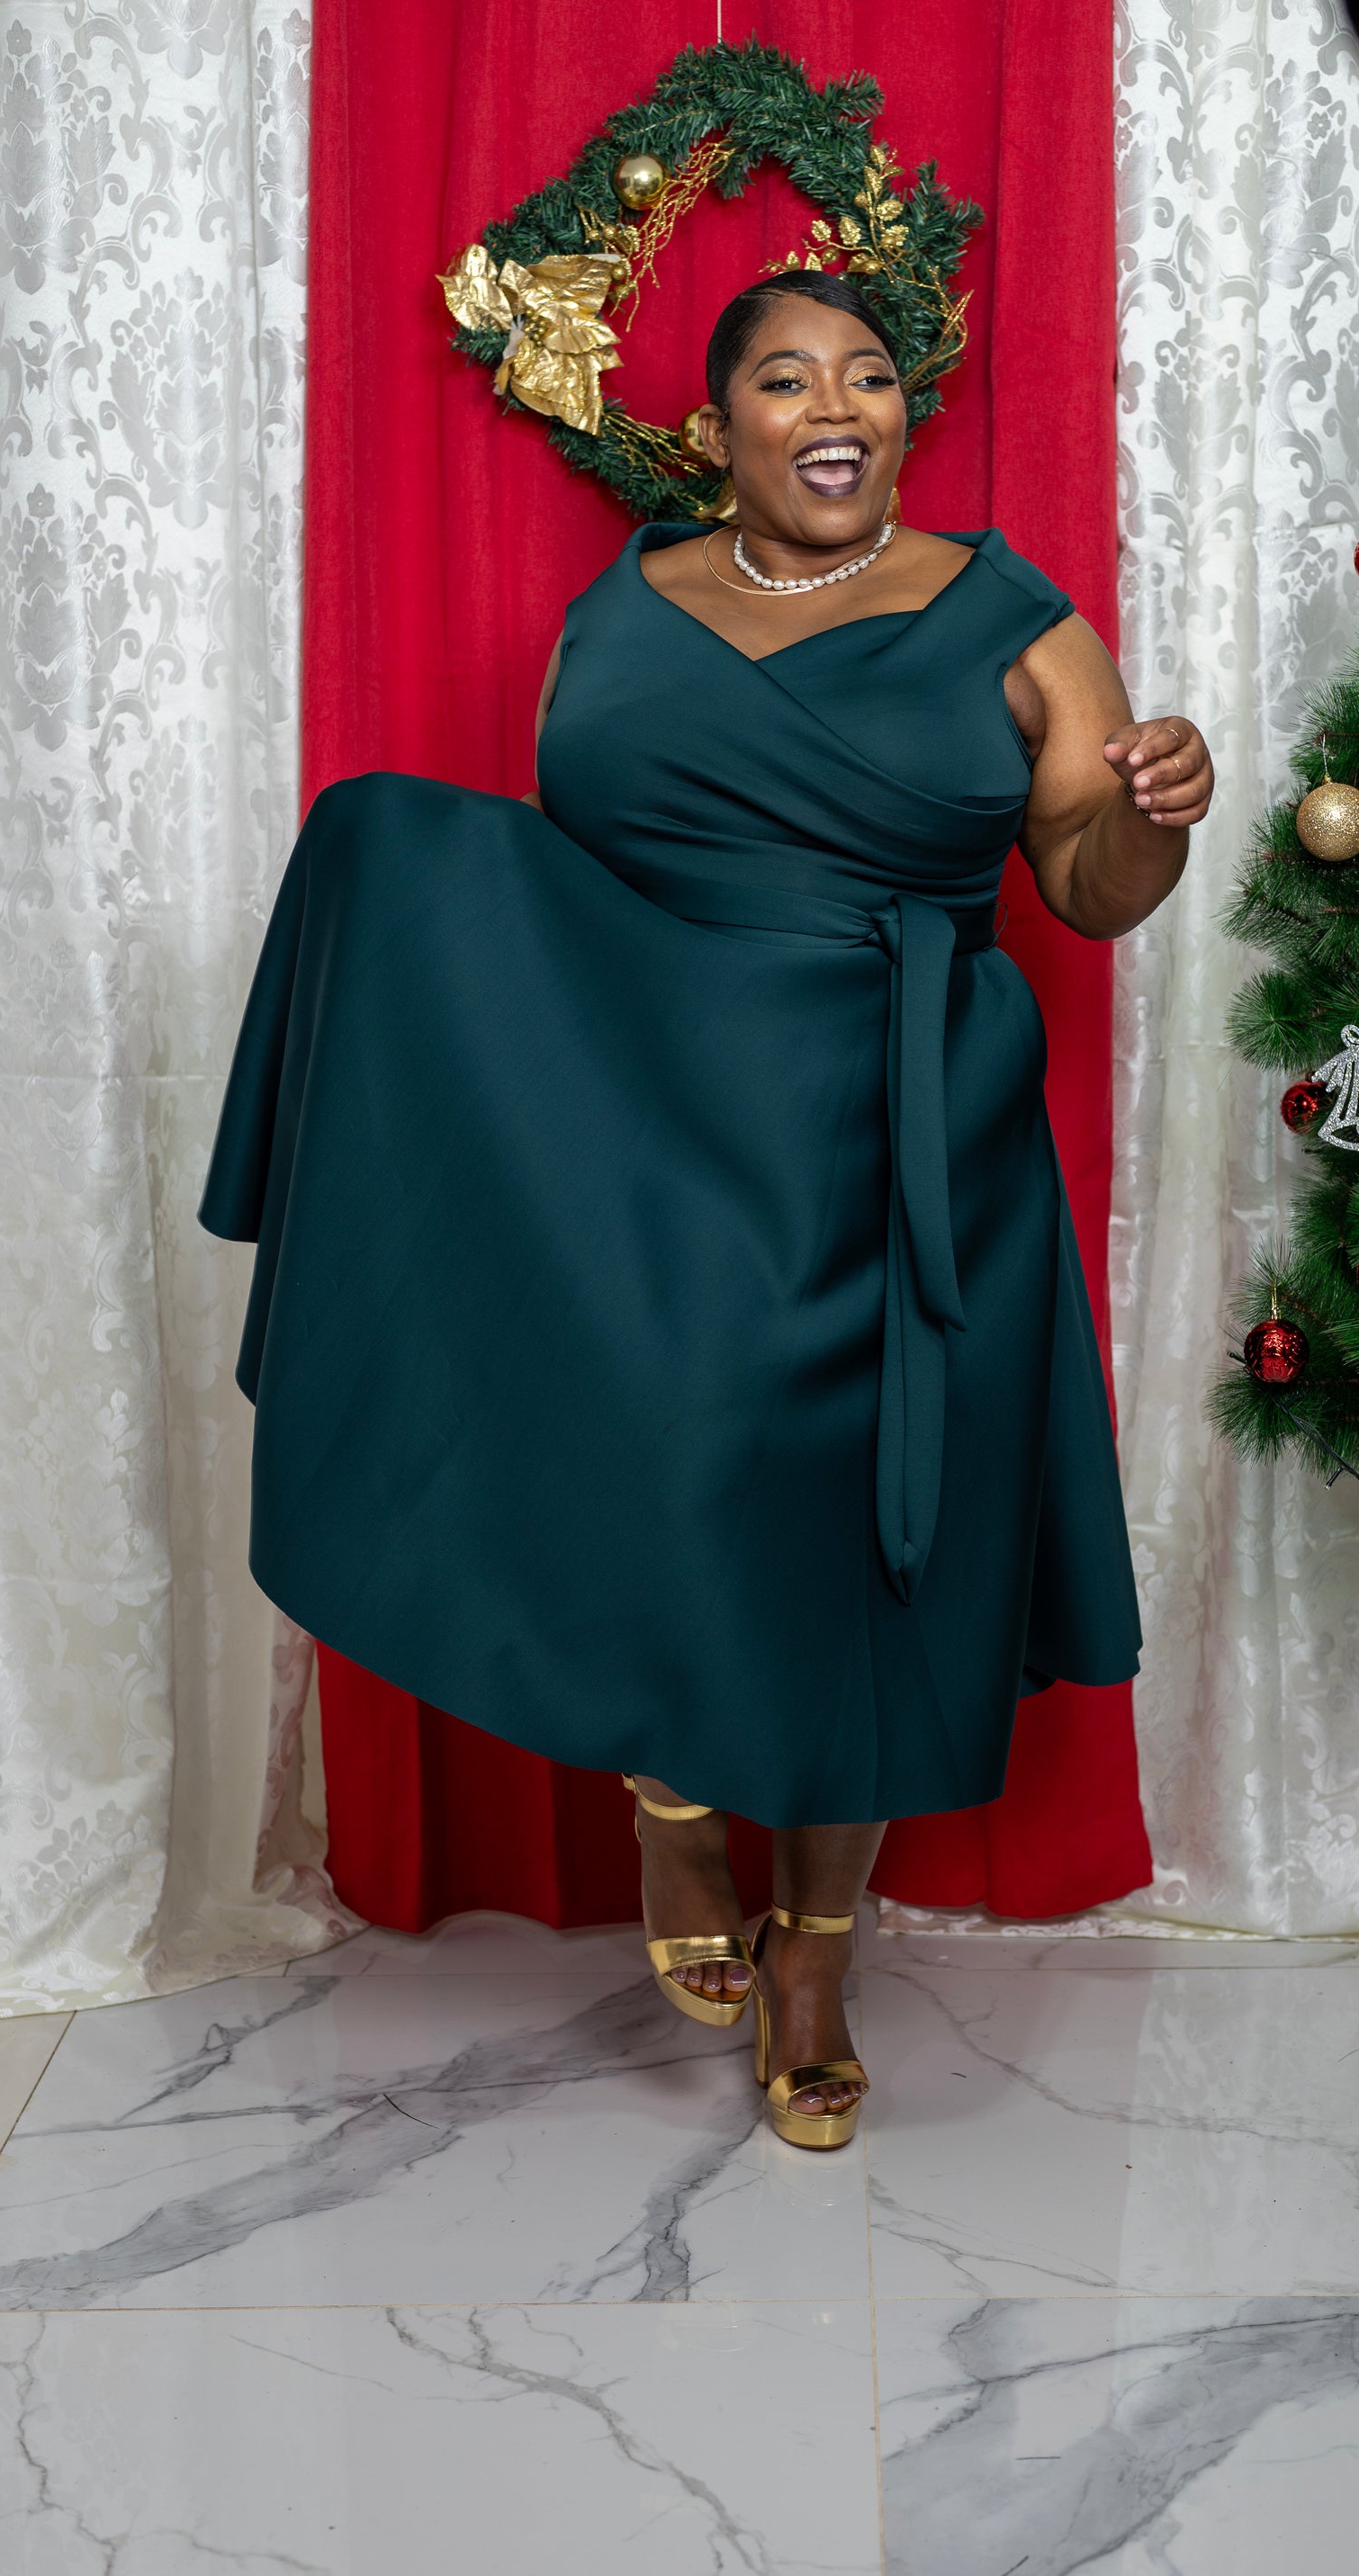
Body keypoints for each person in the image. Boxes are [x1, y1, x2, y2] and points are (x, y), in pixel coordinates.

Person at [201, 269, 1212, 2150]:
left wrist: (1150, 807)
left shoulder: (1017, 621)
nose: (836, 406)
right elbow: (574, 872)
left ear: (902, 412)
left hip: (907, 1129)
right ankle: (674, 1815)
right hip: (661, 1130)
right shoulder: (625, 607)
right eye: (786, 378)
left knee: (874, 1546)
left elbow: (1087, 887)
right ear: (721, 422)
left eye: (869, 375)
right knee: (654, 1460)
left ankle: (813, 1953)